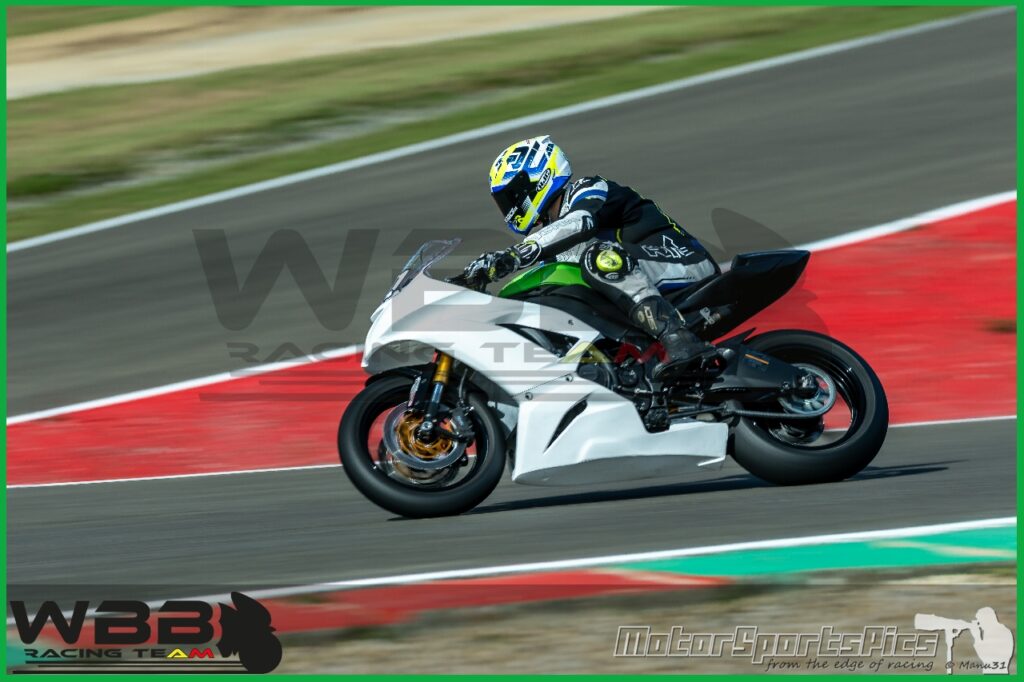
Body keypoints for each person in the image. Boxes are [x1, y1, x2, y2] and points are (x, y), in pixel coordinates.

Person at [451, 135, 720, 379]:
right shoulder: (552, 239)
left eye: (513, 194)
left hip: (684, 262)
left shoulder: (588, 188)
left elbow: (581, 223)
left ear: (540, 177)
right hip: (639, 283)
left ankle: (678, 338)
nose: (510, 205)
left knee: (599, 257)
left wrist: (512, 256)